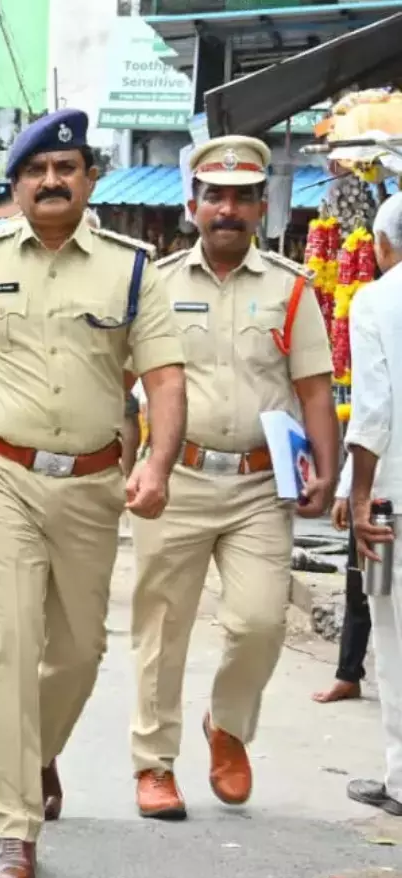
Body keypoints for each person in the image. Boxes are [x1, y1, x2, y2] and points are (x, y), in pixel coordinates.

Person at [0, 108, 187, 878]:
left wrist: (159, 464)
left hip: (95, 485)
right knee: (10, 645)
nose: (50, 182)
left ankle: (36, 750)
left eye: (65, 170)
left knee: (79, 652)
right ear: (17, 186)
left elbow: (166, 377)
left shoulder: (134, 269)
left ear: (89, 179)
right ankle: (13, 824)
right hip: (0, 479)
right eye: (35, 171)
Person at [127, 136, 338, 821]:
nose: (227, 209)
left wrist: (328, 471)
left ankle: (227, 727)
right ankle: (154, 763)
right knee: (163, 628)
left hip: (258, 485)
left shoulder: (291, 287)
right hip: (177, 476)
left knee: (258, 622)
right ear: (192, 205)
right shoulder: (155, 285)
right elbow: (124, 384)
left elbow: (313, 385)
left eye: (242, 196)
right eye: (214, 195)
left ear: (261, 207)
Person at [339, 190, 402, 817]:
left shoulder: (377, 300)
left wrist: (357, 496)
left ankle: (401, 778)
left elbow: (375, 409)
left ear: (382, 246)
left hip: (394, 504)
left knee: (395, 638)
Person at [314, 465, 372, 704]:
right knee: (359, 588)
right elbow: (362, 436)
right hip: (373, 500)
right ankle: (348, 675)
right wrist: (344, 492)